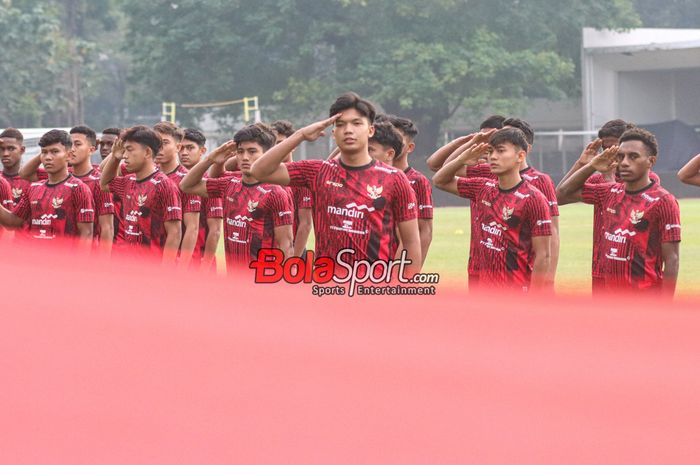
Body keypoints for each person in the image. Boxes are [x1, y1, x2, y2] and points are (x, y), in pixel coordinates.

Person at [250, 92, 421, 276]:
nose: (348, 130)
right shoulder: (317, 171)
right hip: (326, 288)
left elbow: (411, 242)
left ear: (370, 130)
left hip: (374, 289)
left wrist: (401, 290)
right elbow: (259, 170)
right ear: (333, 133)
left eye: (356, 123)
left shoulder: (394, 179)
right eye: (340, 124)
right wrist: (300, 135)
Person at [557, 127, 680, 296]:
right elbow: (562, 194)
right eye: (620, 156)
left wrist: (665, 310)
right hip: (609, 298)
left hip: (645, 298)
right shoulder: (608, 192)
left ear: (651, 161)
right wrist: (591, 165)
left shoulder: (663, 200)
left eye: (633, 156)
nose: (624, 162)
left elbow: (672, 259)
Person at [433, 127, 552, 291]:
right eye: (490, 151)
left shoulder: (534, 199)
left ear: (520, 156)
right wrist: (462, 159)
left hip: (517, 292)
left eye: (501, 151)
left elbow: (543, 256)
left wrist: (534, 300)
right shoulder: (482, 187)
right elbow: (439, 180)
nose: (493, 157)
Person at [180, 124, 293, 272]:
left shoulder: (276, 192)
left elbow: (286, 244)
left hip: (263, 279)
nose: (245, 157)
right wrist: (210, 160)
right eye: (240, 152)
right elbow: (186, 186)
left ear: (267, 154)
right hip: (234, 280)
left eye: (252, 151)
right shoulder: (229, 184)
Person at [100, 126, 182, 263]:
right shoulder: (128, 181)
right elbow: (104, 184)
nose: (124, 155)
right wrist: (114, 157)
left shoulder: (164, 185)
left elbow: (175, 233)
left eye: (130, 150)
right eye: (124, 150)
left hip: (153, 268)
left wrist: (165, 272)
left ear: (148, 152)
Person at [0, 130, 94, 245]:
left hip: (64, 261)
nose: (48, 157)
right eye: (44, 152)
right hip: (35, 260)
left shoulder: (78, 188)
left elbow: (87, 234)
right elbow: (12, 222)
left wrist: (78, 263)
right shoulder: (34, 188)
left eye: (55, 152)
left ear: (69, 155)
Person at [377, 114, 434, 266]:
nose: (391, 143)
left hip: (397, 265)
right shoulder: (371, 176)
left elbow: (425, 231)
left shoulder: (418, 181)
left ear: (410, 147)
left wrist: (410, 273)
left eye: (397, 139)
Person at [153, 121, 200, 267]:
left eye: (165, 143)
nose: (159, 148)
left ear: (178, 147)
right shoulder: (147, 174)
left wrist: (182, 266)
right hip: (146, 258)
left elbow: (192, 228)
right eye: (156, 142)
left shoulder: (187, 179)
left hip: (173, 262)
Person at [179, 128, 223, 268]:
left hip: (200, 261)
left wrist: (206, 264)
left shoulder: (208, 182)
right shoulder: (171, 179)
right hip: (175, 259)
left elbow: (215, 230)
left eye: (190, 148)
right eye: (181, 148)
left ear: (202, 151)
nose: (184, 153)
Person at [271, 120, 313, 257]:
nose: (277, 149)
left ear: (292, 146)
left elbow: (305, 225)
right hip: (268, 251)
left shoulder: (301, 177)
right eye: (273, 144)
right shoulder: (262, 176)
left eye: (281, 144)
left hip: (295, 252)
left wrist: (294, 260)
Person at [0, 128, 29, 206]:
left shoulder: (33, 180)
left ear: (22, 150)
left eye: (11, 149)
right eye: (2, 149)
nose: (5, 154)